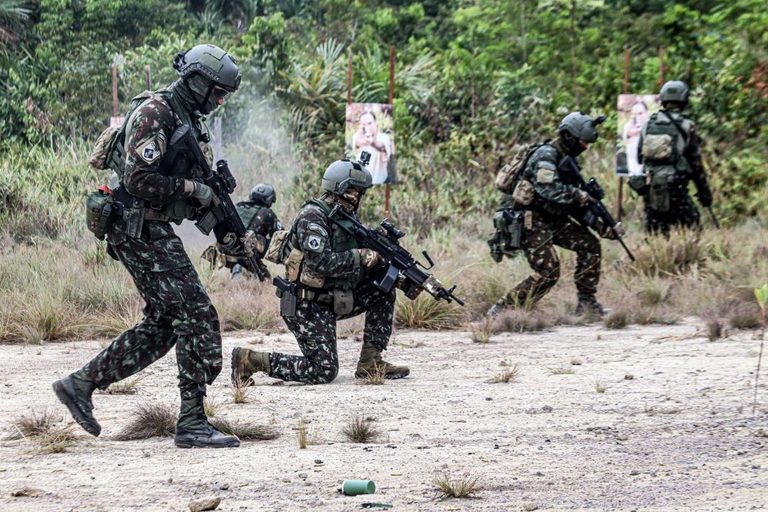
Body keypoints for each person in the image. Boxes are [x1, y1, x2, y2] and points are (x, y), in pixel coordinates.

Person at [53, 44, 243, 448]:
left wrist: (223, 225)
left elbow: (185, 197)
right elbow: (140, 179)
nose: (220, 100)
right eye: (218, 92)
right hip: (135, 226)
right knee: (195, 314)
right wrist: (196, 189)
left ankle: (80, 384)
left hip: (149, 227)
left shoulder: (188, 120)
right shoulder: (156, 112)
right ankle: (191, 423)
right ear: (197, 82)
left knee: (162, 325)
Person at [230, 158, 410, 385]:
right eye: (354, 191)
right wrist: (362, 256)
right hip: (304, 304)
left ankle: (370, 362)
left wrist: (389, 270)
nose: (357, 197)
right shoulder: (313, 216)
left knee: (383, 290)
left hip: (331, 298)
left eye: (359, 192)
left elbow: (354, 264)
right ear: (339, 189)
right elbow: (320, 263)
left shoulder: (345, 217)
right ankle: (250, 360)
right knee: (323, 370)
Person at [487, 112, 617, 318]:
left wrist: (602, 226)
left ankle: (587, 304)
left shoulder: (568, 160)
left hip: (554, 219)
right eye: (583, 142)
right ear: (569, 136)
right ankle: (501, 312)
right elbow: (548, 190)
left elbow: (576, 206)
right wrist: (578, 194)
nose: (586, 147)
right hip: (532, 220)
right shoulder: (546, 155)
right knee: (549, 271)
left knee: (590, 246)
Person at [630, 80, 713, 235]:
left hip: (652, 187)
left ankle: (654, 257)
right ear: (684, 100)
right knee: (692, 226)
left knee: (655, 230)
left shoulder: (649, 124)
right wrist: (704, 192)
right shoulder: (687, 126)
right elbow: (696, 164)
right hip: (676, 187)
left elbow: (639, 157)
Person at [202, 183, 281, 278]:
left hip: (225, 254)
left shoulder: (237, 206)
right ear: (269, 200)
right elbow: (279, 235)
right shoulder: (267, 213)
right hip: (247, 255)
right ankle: (244, 269)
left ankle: (238, 269)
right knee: (271, 241)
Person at [352, 111, 393, 185]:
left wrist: (372, 142)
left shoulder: (384, 137)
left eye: (369, 123)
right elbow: (357, 144)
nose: (367, 127)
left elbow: (383, 148)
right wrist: (362, 139)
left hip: (380, 181)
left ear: (376, 123)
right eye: (363, 124)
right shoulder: (357, 136)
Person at [622, 100, 650, 176]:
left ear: (647, 112)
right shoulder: (628, 126)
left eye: (640, 113)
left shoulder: (652, 126)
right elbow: (625, 141)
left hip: (649, 171)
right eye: (634, 114)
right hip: (634, 172)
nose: (637, 117)